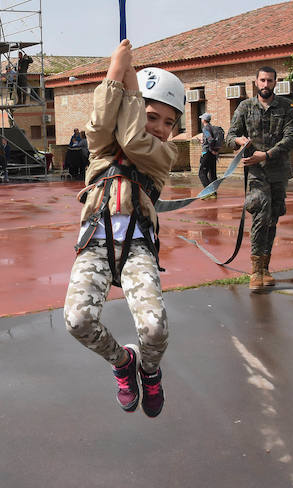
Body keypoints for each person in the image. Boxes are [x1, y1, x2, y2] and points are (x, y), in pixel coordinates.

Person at [63, 40, 184, 418]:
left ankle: (150, 371)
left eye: (169, 122)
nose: (161, 129)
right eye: (152, 116)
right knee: (78, 320)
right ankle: (122, 362)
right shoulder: (100, 149)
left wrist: (127, 77)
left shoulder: (165, 154)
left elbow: (133, 140)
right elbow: (101, 123)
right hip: (96, 245)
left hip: (137, 247)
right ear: (133, 111)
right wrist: (115, 73)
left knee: (154, 329)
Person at [226, 66, 293, 294]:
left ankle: (265, 268)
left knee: (272, 218)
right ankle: (255, 271)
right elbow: (229, 136)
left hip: (278, 171)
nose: (266, 85)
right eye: (262, 80)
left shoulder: (286, 107)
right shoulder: (245, 107)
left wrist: (266, 155)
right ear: (256, 82)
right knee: (260, 213)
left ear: (276, 82)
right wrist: (239, 142)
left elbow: (291, 138)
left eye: (270, 81)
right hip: (256, 173)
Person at [197, 113, 219, 195]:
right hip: (213, 154)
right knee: (212, 174)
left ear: (204, 120)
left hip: (207, 153)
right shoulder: (212, 128)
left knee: (201, 173)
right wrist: (203, 142)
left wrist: (210, 149)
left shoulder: (205, 128)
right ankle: (214, 192)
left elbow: (211, 140)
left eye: (201, 118)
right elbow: (210, 140)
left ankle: (208, 192)